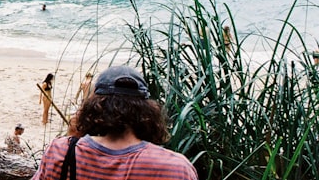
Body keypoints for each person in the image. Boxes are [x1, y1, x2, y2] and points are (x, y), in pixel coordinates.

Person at [32, 65, 197, 180]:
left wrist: (72, 140)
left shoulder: (61, 152)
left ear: (94, 107)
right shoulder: (175, 168)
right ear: (148, 112)